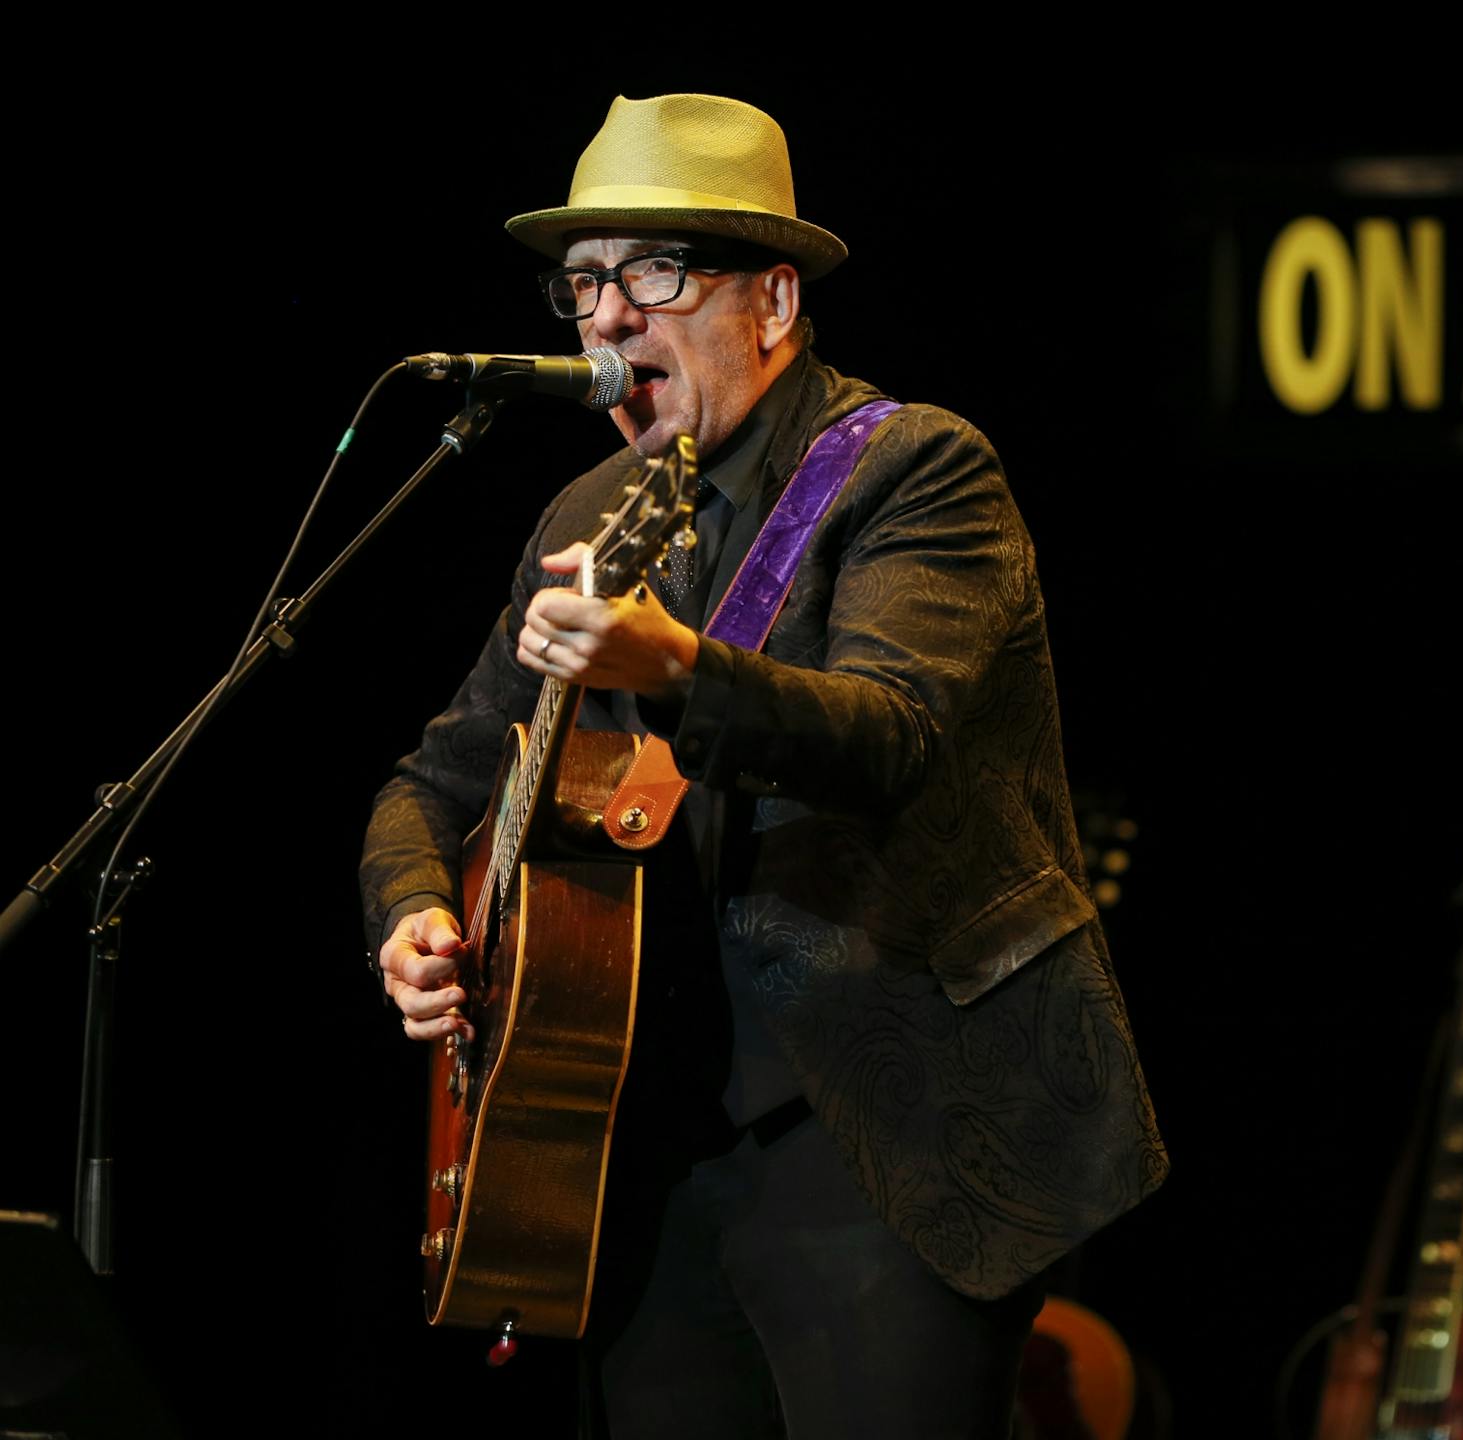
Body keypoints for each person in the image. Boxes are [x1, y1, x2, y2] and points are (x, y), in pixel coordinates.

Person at [359, 93, 1166, 1438]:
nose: (610, 318)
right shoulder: (587, 513)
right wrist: (416, 916)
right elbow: (427, 789)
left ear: (775, 302)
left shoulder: (912, 470)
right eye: (585, 284)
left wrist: (671, 669)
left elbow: (886, 731)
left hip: (889, 1136)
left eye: (658, 273)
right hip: (642, 1151)